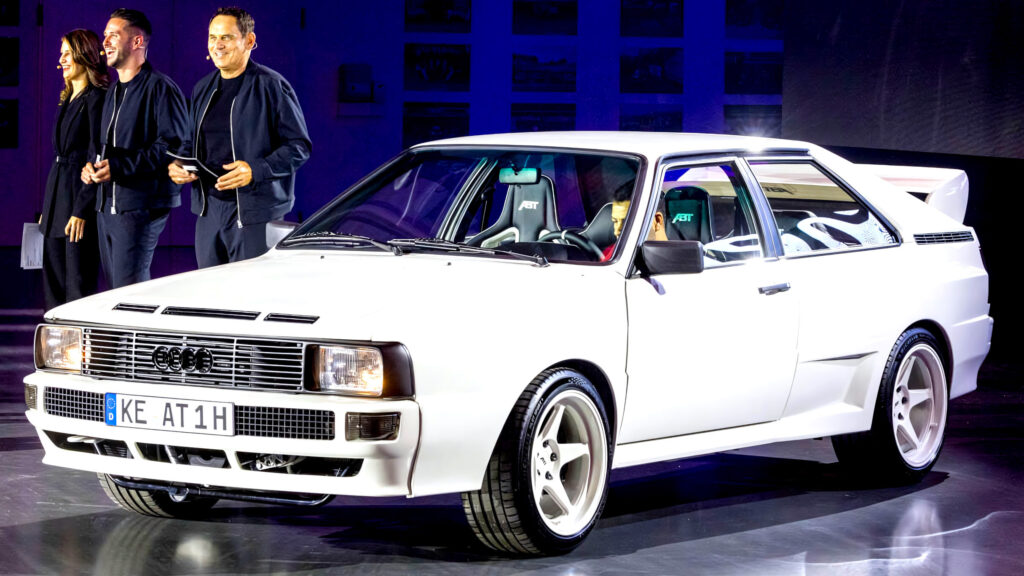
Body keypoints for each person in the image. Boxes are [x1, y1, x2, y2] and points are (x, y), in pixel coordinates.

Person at [168, 6, 311, 268]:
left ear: (249, 40)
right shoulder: (203, 88)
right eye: (213, 37)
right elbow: (191, 142)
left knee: (251, 289)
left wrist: (256, 170)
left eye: (226, 37)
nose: (217, 45)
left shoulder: (271, 85)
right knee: (209, 288)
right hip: (209, 211)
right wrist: (179, 165)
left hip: (255, 211)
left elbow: (299, 147)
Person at [81, 9, 187, 288]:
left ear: (137, 41)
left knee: (128, 291)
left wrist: (118, 167)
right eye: (105, 35)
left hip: (140, 207)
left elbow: (172, 146)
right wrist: (91, 167)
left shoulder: (161, 88)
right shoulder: (113, 91)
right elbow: (105, 147)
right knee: (115, 291)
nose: (105, 42)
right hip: (107, 206)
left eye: (113, 35)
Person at [40, 29, 107, 310]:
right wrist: (48, 208)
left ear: (84, 55)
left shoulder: (96, 98)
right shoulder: (67, 97)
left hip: (77, 202)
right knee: (53, 282)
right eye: (61, 54)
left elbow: (94, 156)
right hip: (57, 201)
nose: (61, 60)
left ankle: (79, 339)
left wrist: (81, 209)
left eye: (68, 54)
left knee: (78, 283)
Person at [603, 180, 668, 260]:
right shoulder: (613, 253)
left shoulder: (678, 263)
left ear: (657, 221)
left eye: (627, 222)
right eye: (615, 221)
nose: (617, 232)